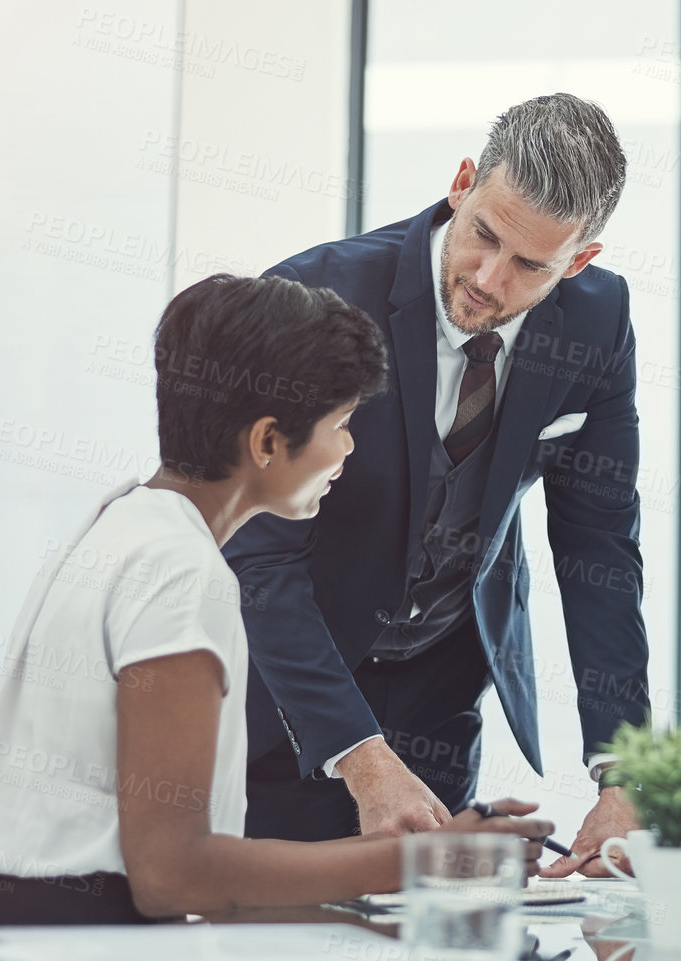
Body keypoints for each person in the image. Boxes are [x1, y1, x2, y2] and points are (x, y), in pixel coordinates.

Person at [0, 275, 550, 961]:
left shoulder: (123, 519)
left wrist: (422, 852)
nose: (348, 451)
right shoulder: (185, 573)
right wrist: (420, 865)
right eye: (340, 426)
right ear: (269, 442)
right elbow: (174, 876)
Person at [226, 93, 648, 875]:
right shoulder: (313, 300)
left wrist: (622, 771)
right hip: (293, 692)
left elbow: (601, 548)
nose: (490, 279)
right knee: (280, 952)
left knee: (426, 955)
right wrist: (359, 756)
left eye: (531, 266)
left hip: (442, 689)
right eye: (484, 234)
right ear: (463, 182)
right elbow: (260, 554)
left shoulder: (598, 321)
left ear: (580, 260)